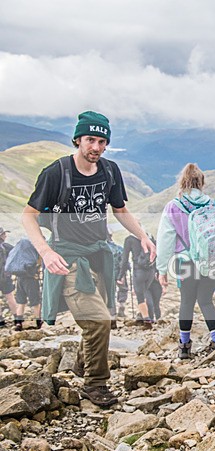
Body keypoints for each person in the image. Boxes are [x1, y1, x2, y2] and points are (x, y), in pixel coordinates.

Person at [21, 111, 156, 407]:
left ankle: (83, 362)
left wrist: (143, 236)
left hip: (99, 255)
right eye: (90, 140)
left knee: (101, 316)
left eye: (102, 141)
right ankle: (95, 385)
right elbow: (28, 216)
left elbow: (120, 209)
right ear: (78, 140)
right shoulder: (56, 173)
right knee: (98, 322)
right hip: (69, 258)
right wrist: (46, 252)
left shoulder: (109, 171)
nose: (96, 146)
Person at [156, 163, 215, 359]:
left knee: (187, 302)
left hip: (185, 262)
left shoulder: (173, 206)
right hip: (211, 261)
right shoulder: (213, 205)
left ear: (183, 182)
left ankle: (185, 346)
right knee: (206, 300)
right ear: (202, 182)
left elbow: (165, 240)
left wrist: (162, 270)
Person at [121, 231, 161, 327]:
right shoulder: (150, 238)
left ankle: (147, 320)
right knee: (152, 299)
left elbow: (124, 260)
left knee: (141, 297)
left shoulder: (129, 239)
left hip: (138, 271)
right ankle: (155, 319)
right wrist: (159, 273)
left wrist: (120, 275)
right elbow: (157, 256)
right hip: (151, 271)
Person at [8, 238, 43, 331]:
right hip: (31, 280)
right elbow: (38, 264)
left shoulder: (22, 254)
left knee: (21, 302)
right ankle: (38, 322)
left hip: (19, 279)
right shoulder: (34, 252)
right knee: (35, 302)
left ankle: (18, 323)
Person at [0, 228, 18, 328]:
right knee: (10, 297)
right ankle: (17, 318)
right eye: (4, 234)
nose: (6, 235)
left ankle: (1, 321)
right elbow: (17, 255)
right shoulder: (7, 247)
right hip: (5, 277)